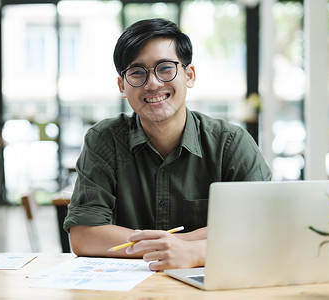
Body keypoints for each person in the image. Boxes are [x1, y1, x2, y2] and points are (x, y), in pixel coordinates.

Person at [63, 18, 272, 271]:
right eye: (137, 72)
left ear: (189, 75)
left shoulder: (231, 144)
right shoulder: (104, 140)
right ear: (122, 85)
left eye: (165, 68)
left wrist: (192, 252)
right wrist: (183, 243)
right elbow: (85, 235)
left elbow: (262, 226)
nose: (152, 83)